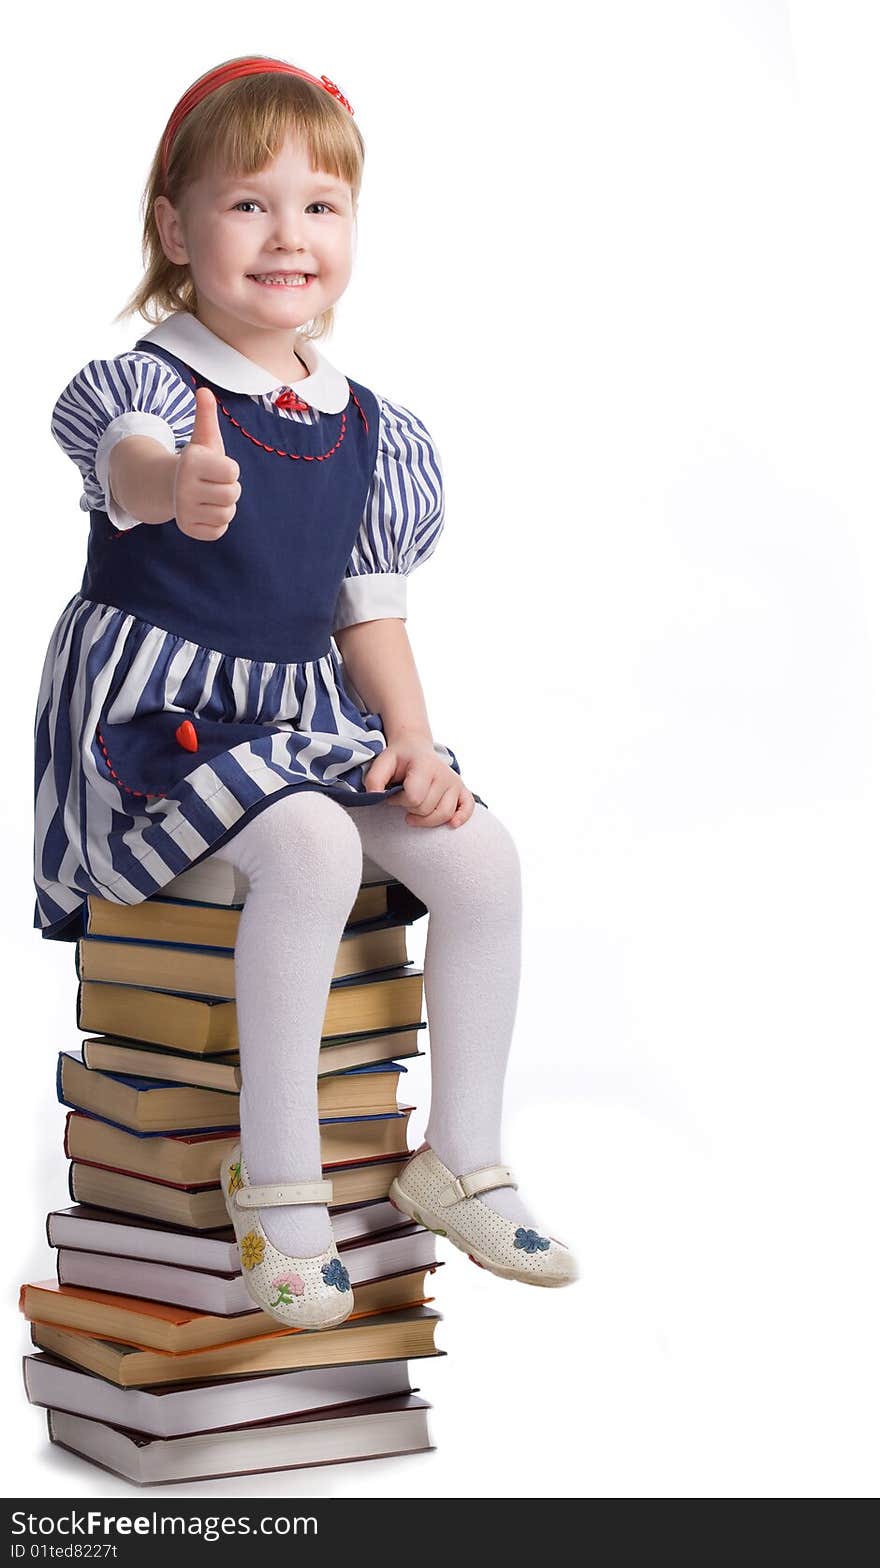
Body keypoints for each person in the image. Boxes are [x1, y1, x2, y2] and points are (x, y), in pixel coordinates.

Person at [33, 55, 578, 1330]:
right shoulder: (156, 384)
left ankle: (459, 1153)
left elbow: (368, 608)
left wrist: (415, 742)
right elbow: (124, 463)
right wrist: (177, 488)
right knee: (311, 844)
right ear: (175, 226)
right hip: (149, 722)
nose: (289, 236)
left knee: (477, 852)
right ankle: (279, 1188)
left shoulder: (370, 427)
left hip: (295, 719)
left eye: (319, 205)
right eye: (248, 204)